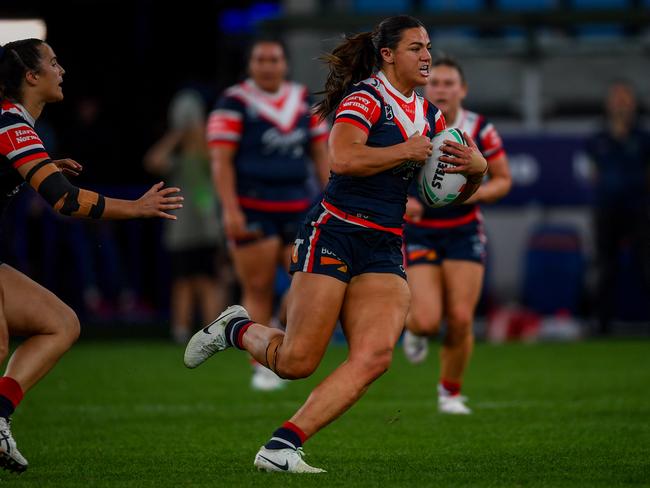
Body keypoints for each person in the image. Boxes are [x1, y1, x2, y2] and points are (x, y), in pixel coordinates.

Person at [184, 15, 487, 473]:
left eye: (428, 46)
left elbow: (437, 196)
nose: (426, 55)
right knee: (297, 361)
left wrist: (476, 171)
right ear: (387, 54)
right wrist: (405, 151)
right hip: (335, 232)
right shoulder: (365, 97)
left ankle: (282, 446)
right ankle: (234, 329)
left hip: (384, 243)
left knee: (375, 357)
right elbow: (342, 158)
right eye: (415, 48)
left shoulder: (431, 116)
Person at [0, 39, 183, 473]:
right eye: (54, 62)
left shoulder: (16, 127)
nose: (61, 70)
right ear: (31, 76)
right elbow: (64, 201)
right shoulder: (12, 125)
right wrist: (136, 208)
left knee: (59, 324)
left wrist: (39, 167)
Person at [205, 38, 330, 391]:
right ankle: (261, 363)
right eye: (260, 59)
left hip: (300, 206)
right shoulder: (234, 101)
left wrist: (333, 199)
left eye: (274, 59)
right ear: (250, 65)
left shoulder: (304, 100)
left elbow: (321, 155)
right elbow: (221, 161)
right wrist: (230, 210)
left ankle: (281, 337)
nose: (267, 65)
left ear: (285, 64)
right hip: (253, 205)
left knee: (305, 285)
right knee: (257, 286)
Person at [401, 55, 512, 415]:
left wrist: (469, 193)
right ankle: (415, 330)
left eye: (449, 83)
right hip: (421, 231)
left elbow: (504, 180)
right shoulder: (410, 124)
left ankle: (450, 392)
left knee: (462, 317)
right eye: (435, 83)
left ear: (462, 89)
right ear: (424, 87)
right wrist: (403, 201)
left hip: (463, 230)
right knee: (427, 319)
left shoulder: (481, 129)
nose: (441, 89)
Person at [145, 88, 226, 344]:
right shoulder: (177, 158)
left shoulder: (207, 151)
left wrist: (198, 134)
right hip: (180, 229)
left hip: (207, 227)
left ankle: (210, 334)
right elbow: (152, 161)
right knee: (182, 281)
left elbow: (215, 162)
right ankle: (180, 331)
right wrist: (177, 135)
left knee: (208, 279)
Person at [585, 81, 650, 334]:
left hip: (638, 209)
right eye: (617, 98)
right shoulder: (597, 139)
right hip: (607, 210)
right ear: (608, 104)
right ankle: (602, 325)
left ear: (634, 103)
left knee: (646, 265)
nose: (621, 103)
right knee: (605, 266)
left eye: (626, 98)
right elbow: (593, 173)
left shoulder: (644, 138)